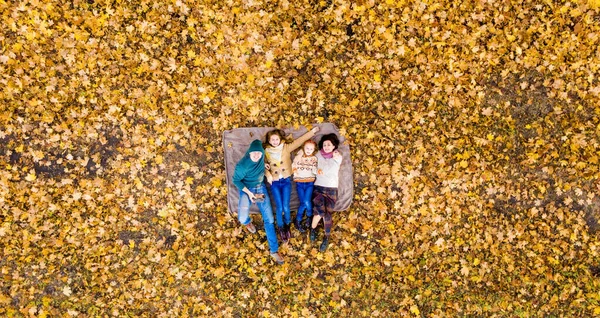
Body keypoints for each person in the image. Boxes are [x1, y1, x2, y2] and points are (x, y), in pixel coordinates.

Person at [263, 126, 320, 242]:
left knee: (285, 206)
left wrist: (312, 132)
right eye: (272, 140)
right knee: (279, 208)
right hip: (274, 181)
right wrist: (266, 171)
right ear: (269, 141)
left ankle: (288, 225)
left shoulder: (286, 148)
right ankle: (281, 227)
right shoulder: (266, 152)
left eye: (276, 139)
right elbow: (261, 164)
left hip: (286, 181)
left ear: (280, 139)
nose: (275, 142)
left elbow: (299, 142)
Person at [232, 140, 283, 264]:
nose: (256, 156)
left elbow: (262, 162)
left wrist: (265, 166)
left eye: (259, 154)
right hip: (246, 189)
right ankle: (247, 223)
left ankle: (274, 250)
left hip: (260, 187)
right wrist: (250, 195)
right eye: (254, 153)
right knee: (242, 217)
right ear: (249, 152)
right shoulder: (242, 166)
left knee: (269, 219)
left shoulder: (260, 158)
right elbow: (236, 181)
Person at [310, 133, 342, 252]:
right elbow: (312, 167)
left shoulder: (337, 157)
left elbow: (336, 163)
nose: (327, 147)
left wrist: (336, 156)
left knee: (327, 214)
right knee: (319, 211)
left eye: (329, 145)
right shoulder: (318, 155)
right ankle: (313, 229)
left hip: (331, 189)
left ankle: (326, 237)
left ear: (334, 146)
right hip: (318, 187)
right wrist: (316, 171)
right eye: (324, 145)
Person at [291, 140, 318, 233]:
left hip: (309, 182)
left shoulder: (314, 158)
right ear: (303, 148)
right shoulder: (299, 157)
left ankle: (303, 217)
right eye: (307, 148)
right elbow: (294, 164)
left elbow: (315, 169)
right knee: (303, 203)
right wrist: (300, 154)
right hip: (299, 182)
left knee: (306, 201)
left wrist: (317, 171)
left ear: (314, 150)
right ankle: (304, 218)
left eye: (311, 149)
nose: (308, 150)